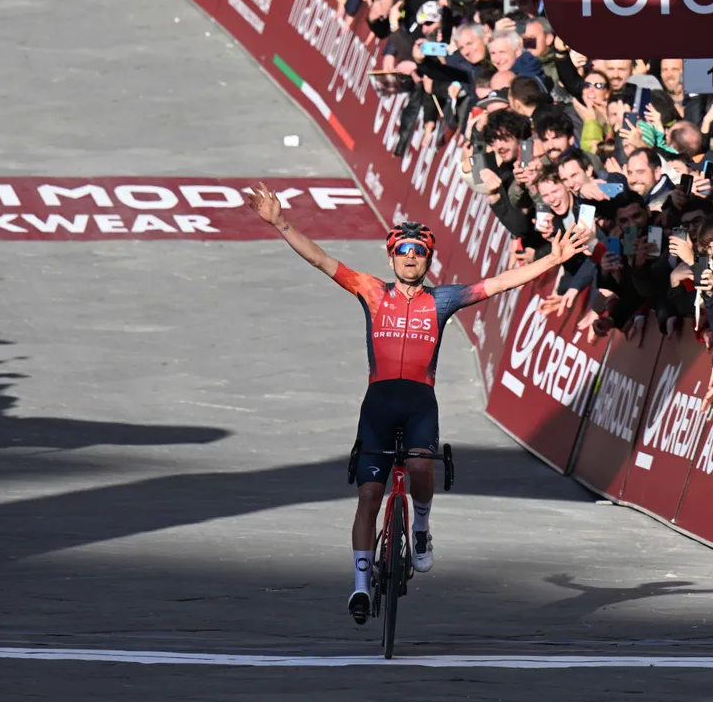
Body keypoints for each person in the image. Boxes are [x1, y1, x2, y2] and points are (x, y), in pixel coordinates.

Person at [246, 184, 591, 624]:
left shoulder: (442, 300)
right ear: (391, 258)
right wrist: (280, 223)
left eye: (419, 252)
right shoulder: (371, 291)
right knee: (369, 496)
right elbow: (320, 259)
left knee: (421, 466)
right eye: (403, 252)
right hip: (378, 403)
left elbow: (501, 282)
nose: (411, 258)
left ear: (429, 260)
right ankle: (360, 587)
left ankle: (421, 526)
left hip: (419, 403)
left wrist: (552, 260)